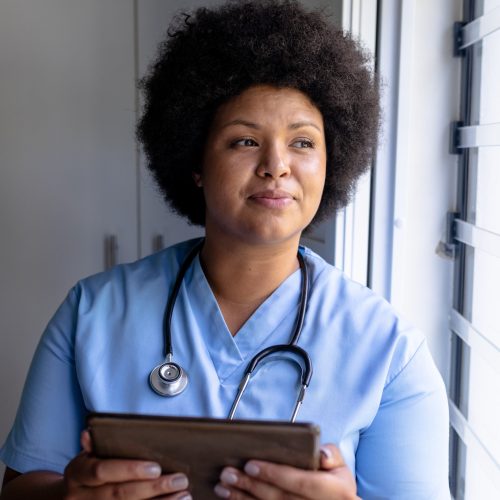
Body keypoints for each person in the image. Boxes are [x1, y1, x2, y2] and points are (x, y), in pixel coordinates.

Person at [0, 1, 450, 498]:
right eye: (243, 141)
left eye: (303, 142)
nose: (277, 165)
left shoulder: (390, 352)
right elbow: (21, 486)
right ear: (195, 161)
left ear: (332, 162)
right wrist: (69, 495)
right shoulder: (91, 312)